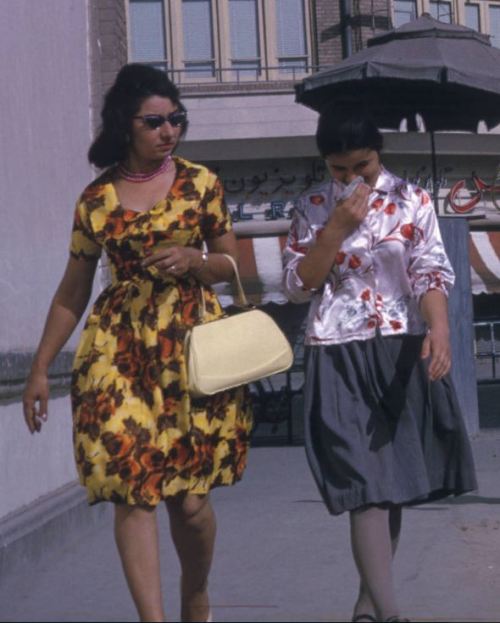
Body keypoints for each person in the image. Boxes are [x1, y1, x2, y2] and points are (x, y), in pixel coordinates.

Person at [22, 63, 252, 623]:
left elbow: (237, 266)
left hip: (191, 347)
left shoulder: (201, 184)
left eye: (176, 119)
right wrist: (40, 367)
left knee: (191, 503)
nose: (168, 130)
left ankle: (195, 594)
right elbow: (72, 292)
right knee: (131, 488)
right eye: (155, 121)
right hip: (119, 352)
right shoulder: (95, 199)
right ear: (126, 125)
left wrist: (197, 260)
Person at [282, 102, 477, 623]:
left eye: (361, 167)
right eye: (338, 169)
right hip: (335, 350)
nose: (350, 180)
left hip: (398, 348)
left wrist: (439, 330)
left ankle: (367, 607)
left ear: (378, 155)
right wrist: (336, 228)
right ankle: (391, 614)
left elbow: (430, 274)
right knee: (362, 484)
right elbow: (299, 287)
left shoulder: (411, 201)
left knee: (387, 486)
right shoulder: (311, 206)